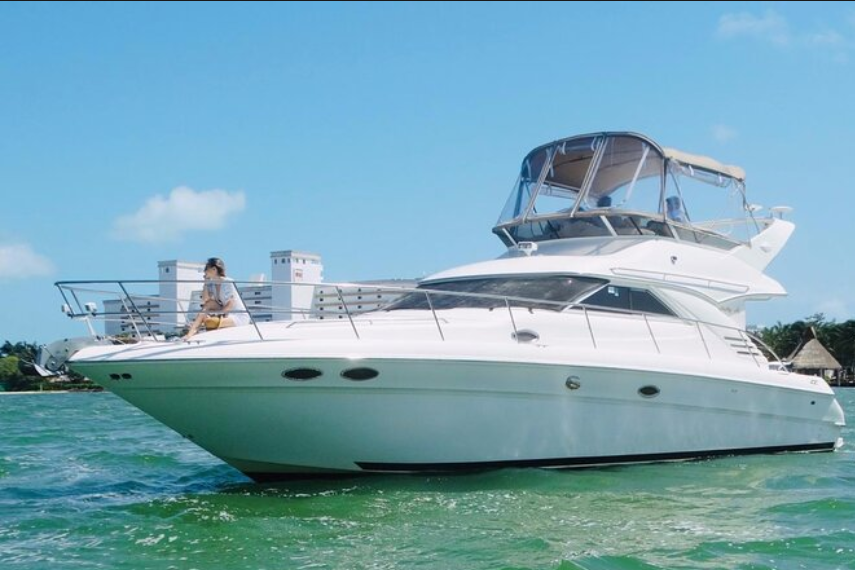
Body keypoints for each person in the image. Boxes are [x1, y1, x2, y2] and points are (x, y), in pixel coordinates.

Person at [183, 257, 250, 340]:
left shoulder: (228, 282)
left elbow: (230, 304)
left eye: (206, 268)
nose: (204, 271)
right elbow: (205, 299)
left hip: (238, 315)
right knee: (209, 304)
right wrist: (206, 283)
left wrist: (217, 315)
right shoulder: (212, 284)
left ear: (214, 269)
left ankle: (203, 325)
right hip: (224, 311)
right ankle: (192, 331)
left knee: (211, 322)